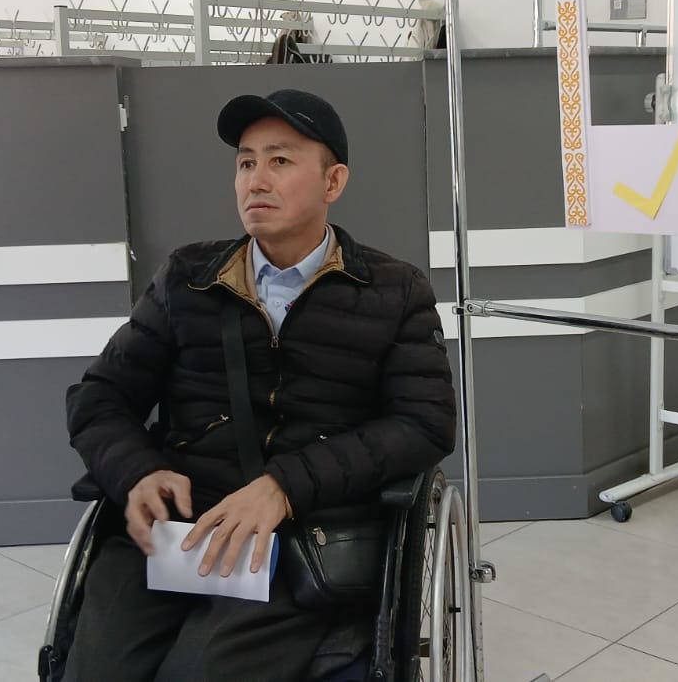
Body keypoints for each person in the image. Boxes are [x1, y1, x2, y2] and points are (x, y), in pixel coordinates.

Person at [64, 89, 456, 681]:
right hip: (179, 529)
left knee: (199, 673)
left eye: (280, 160)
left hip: (301, 536)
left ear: (333, 182)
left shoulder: (392, 291)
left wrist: (284, 487)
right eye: (246, 162)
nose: (257, 180)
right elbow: (99, 397)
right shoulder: (188, 279)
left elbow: (424, 424)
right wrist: (136, 471)